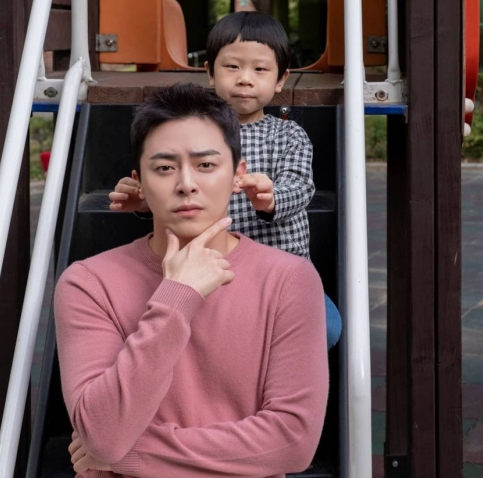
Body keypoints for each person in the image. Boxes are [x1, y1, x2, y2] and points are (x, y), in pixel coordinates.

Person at [55, 83, 329, 477]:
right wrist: (176, 297)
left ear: (237, 175)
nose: (186, 183)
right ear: (139, 183)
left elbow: (293, 442)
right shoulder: (89, 283)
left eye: (206, 165)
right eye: (164, 168)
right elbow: (103, 433)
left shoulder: (289, 279)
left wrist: (128, 457)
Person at [109, 12, 342, 349]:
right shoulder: (192, 133)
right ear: (210, 72)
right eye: (232, 67)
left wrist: (272, 198)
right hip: (201, 267)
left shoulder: (288, 135)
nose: (245, 79)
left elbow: (302, 186)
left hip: (276, 270)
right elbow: (176, 186)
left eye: (260, 69)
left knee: (327, 328)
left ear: (281, 79)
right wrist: (145, 203)